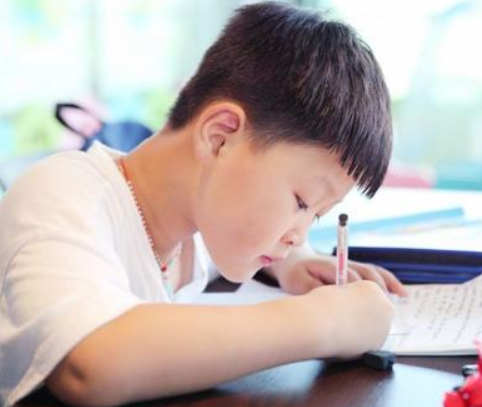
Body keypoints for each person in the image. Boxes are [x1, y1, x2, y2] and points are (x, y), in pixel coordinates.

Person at [0, 2, 406, 406]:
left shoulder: (195, 226)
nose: (298, 234)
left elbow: (253, 227)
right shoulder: (62, 194)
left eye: (315, 215)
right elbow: (92, 364)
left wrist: (297, 261)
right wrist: (325, 323)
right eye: (301, 201)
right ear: (220, 138)